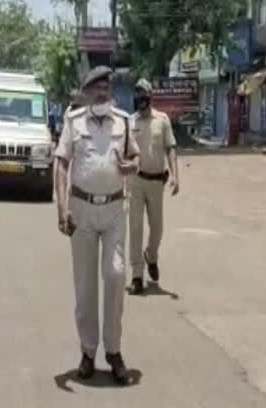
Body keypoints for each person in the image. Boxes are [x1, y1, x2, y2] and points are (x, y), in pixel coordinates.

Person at [54, 66, 140, 384]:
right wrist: (62, 209)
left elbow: (135, 159)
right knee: (85, 286)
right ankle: (88, 351)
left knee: (116, 275)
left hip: (116, 209)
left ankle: (113, 350)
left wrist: (131, 166)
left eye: (106, 87)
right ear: (87, 92)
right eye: (96, 88)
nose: (102, 92)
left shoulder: (124, 121)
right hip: (82, 211)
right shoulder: (73, 122)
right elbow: (61, 163)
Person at [128, 78, 180, 295]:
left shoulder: (163, 120)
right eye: (137, 94)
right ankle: (137, 275)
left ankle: (151, 255)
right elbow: (125, 152)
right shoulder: (130, 122)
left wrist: (176, 176)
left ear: (150, 97)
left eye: (143, 95)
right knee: (136, 228)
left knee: (157, 229)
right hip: (136, 182)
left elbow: (170, 148)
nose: (140, 99)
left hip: (157, 181)